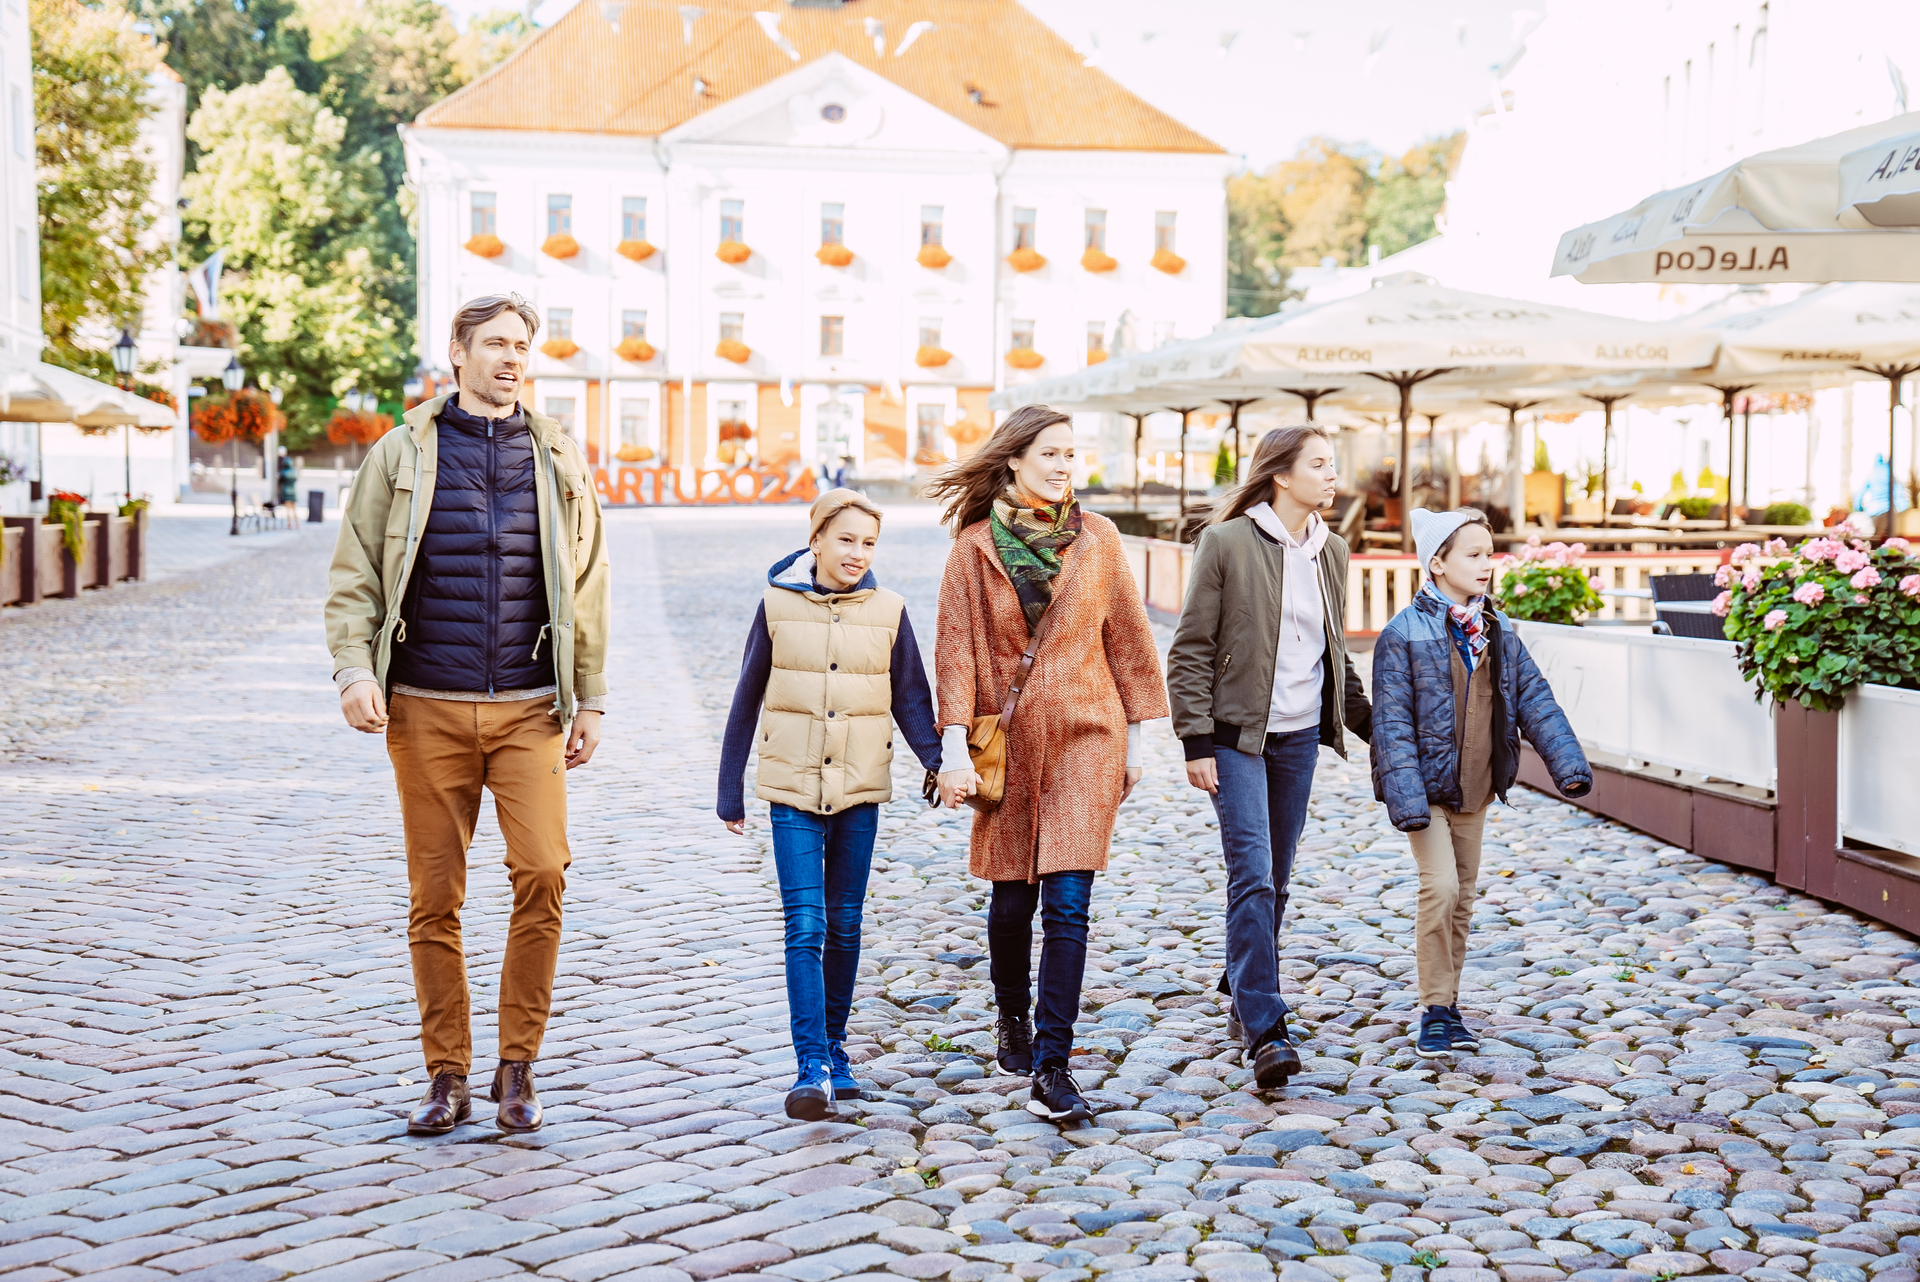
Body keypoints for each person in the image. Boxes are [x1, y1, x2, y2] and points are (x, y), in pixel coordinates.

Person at [324, 292, 610, 1135]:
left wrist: (589, 694)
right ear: (457, 352)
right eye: (494, 343)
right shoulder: (400, 454)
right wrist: (352, 670)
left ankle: (516, 1067)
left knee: (544, 873)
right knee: (435, 897)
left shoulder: (558, 455)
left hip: (529, 711)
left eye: (523, 344)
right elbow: (355, 575)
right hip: (425, 707)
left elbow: (588, 582)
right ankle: (445, 1075)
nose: (511, 357)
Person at [928, 404, 1167, 1125]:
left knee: (1068, 899)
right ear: (1013, 462)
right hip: (1009, 742)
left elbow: (1129, 636)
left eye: (1071, 454)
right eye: (1052, 454)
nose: (1066, 466)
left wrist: (1142, 741)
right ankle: (1013, 1021)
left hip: (1088, 735)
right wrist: (951, 747)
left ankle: (1055, 1064)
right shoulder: (974, 549)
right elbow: (957, 653)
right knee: (1012, 901)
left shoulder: (1099, 540)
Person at [716, 489, 942, 1120]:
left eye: (868, 543)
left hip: (860, 790)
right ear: (815, 539)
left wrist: (939, 764)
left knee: (844, 923)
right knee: (806, 923)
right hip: (791, 789)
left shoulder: (891, 610)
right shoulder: (775, 606)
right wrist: (728, 788)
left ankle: (838, 1050)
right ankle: (810, 1063)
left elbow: (913, 702)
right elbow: (746, 697)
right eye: (845, 539)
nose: (856, 553)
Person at [1165, 426, 1372, 1088]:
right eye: (1319, 464)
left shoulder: (1331, 552)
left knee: (1277, 877)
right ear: (1281, 475)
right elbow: (1191, 645)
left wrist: (1377, 729)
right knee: (1251, 873)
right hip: (1235, 738)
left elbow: (1334, 653)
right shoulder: (1226, 543)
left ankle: (1240, 973)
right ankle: (1264, 1026)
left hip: (1299, 737)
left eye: (1333, 465)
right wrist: (1195, 741)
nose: (1332, 476)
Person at [1371, 508, 1591, 1058]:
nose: (1486, 565)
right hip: (1425, 792)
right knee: (1440, 886)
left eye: (1489, 554)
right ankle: (1432, 1009)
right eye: (1473, 554)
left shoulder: (1498, 630)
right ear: (1438, 562)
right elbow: (1391, 725)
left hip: (1476, 788)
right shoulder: (1403, 635)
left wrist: (1568, 765)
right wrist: (1405, 798)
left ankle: (1449, 1006)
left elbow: (1535, 699)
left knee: (1462, 900)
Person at [275, 446, 300, 527]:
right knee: (294, 508)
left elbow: (280, 481)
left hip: (286, 491)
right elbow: (295, 480)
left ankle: (289, 523)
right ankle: (297, 523)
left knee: (288, 509)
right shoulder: (293, 471)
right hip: (293, 491)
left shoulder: (283, 472)